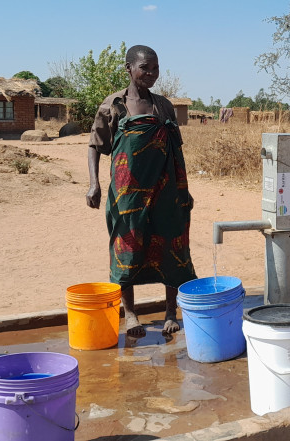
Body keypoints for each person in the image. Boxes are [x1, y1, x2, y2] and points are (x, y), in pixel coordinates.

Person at [86, 45, 195, 337]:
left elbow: (176, 152)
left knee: (172, 246)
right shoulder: (113, 106)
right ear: (129, 68)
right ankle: (130, 314)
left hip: (166, 192)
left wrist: (184, 191)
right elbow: (95, 146)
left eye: (155, 68)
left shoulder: (164, 106)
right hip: (128, 195)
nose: (151, 74)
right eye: (145, 67)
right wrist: (94, 183)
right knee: (127, 248)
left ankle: (171, 312)